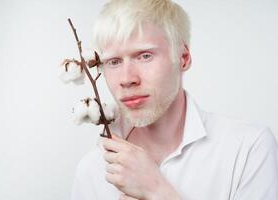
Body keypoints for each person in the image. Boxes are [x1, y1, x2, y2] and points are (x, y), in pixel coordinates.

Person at [71, 0, 278, 199]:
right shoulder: (92, 170)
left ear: (183, 58)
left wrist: (156, 190)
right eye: (114, 61)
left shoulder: (248, 148)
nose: (127, 79)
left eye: (145, 56)